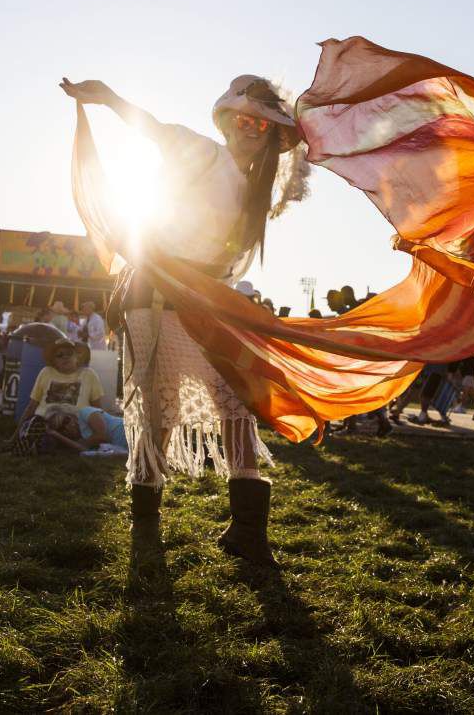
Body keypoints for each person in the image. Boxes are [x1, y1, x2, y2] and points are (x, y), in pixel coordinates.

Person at [61, 73, 308, 566]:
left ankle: (247, 531)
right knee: (156, 409)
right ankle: (146, 523)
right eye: (244, 118)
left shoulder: (260, 191)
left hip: (208, 302)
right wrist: (108, 97)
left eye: (264, 123)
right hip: (154, 295)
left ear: (275, 136)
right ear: (226, 120)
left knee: (236, 404)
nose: (253, 128)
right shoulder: (201, 151)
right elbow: (151, 128)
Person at [9, 338, 103, 453]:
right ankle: (46, 443)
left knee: (64, 421)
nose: (65, 357)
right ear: (53, 362)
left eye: (69, 353)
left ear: (77, 357)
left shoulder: (89, 374)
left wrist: (96, 435)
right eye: (59, 355)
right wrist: (13, 437)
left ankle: (39, 444)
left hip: (73, 424)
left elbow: (97, 410)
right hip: (43, 422)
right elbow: (32, 406)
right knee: (36, 422)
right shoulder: (46, 372)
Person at [45, 405, 128, 453]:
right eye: (61, 428)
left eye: (66, 420)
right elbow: (85, 451)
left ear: (70, 415)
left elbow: (102, 437)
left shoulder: (85, 412)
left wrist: (78, 444)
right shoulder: (79, 437)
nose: (67, 427)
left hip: (128, 431)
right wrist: (56, 435)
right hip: (127, 449)